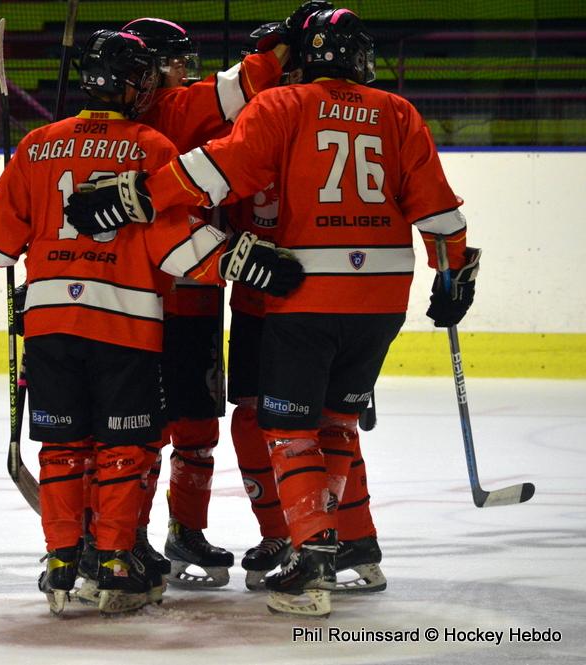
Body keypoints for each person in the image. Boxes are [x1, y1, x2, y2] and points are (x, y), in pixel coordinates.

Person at [63, 8, 480, 618]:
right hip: (334, 293)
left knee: (265, 425)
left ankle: (301, 543)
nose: (183, 72)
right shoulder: (391, 110)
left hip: (271, 292)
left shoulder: (265, 107)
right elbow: (437, 212)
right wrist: (454, 271)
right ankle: (324, 539)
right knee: (313, 422)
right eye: (173, 61)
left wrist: (131, 197)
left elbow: (217, 167)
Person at [0, 29, 303, 616]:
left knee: (71, 444)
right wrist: (242, 261)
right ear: (138, 79)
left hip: (60, 319)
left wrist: (20, 245)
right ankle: (115, 554)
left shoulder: (39, 143)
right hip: (134, 316)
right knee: (127, 443)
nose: (177, 73)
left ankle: (68, 557)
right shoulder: (153, 139)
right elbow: (174, 241)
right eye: (166, 65)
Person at [119, 13, 293, 589]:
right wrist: (284, 47)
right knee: (150, 428)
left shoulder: (161, 114)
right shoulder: (170, 110)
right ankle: (132, 537)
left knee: (190, 426)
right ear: (146, 68)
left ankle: (176, 533)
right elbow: (242, 83)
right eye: (174, 63)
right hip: (162, 297)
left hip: (193, 294)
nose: (183, 73)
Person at [227, 21, 387, 595]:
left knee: (322, 424)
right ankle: (288, 533)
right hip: (261, 298)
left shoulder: (310, 112)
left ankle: (342, 538)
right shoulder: (261, 112)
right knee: (271, 419)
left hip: (306, 298)